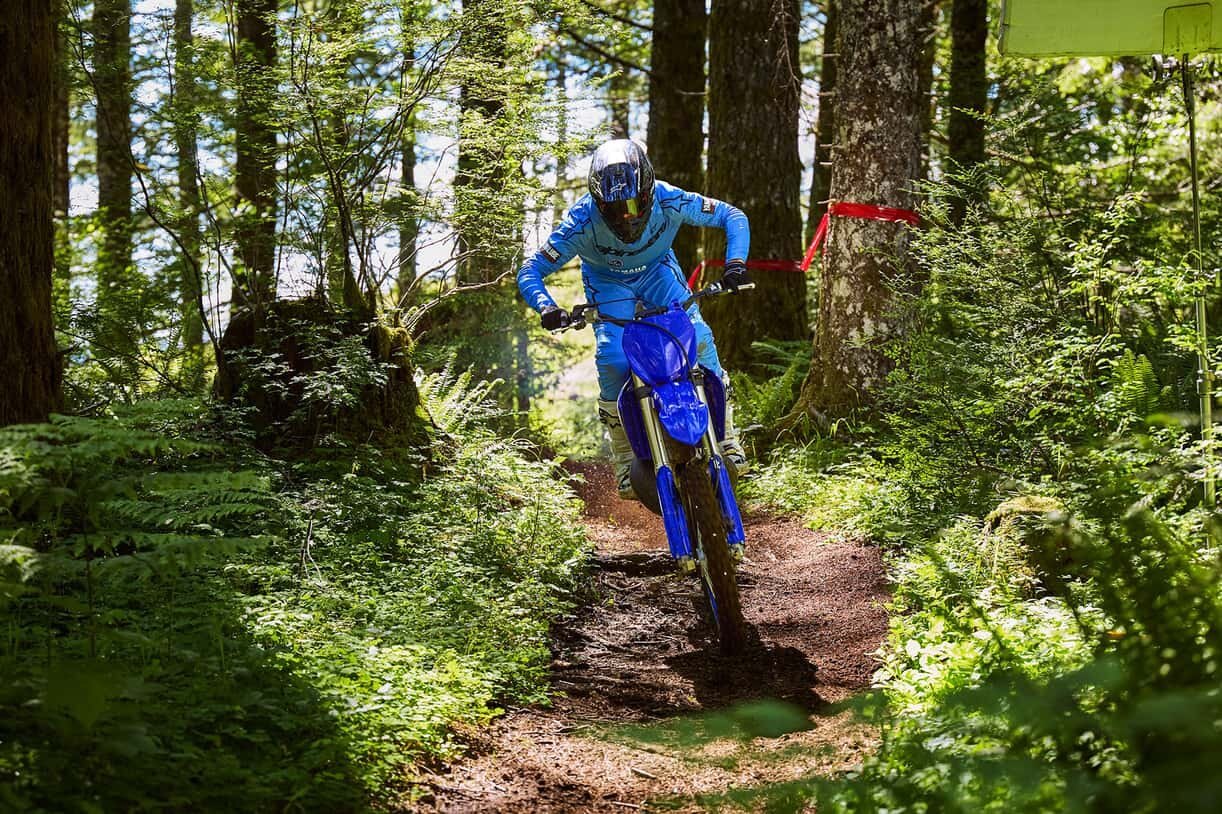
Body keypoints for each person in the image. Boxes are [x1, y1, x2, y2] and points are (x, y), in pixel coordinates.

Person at [517, 138, 749, 500]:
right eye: (614, 208)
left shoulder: (669, 199)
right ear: (597, 202)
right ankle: (625, 459)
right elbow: (531, 269)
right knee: (613, 358)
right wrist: (546, 306)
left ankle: (728, 438)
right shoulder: (580, 221)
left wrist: (735, 264)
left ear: (648, 190)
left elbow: (732, 216)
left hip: (659, 273)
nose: (626, 216)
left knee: (698, 337)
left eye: (634, 204)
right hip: (608, 284)